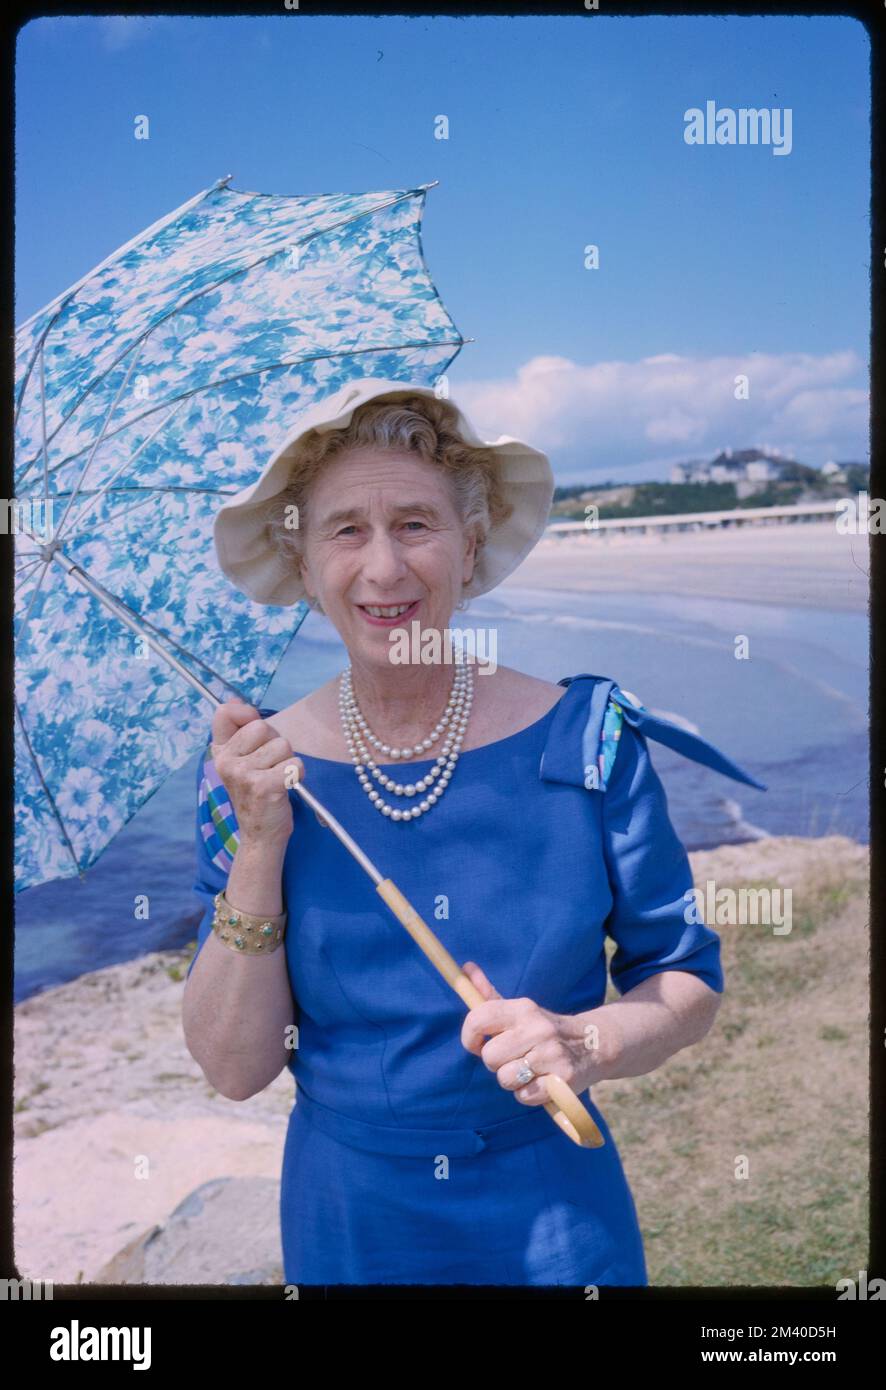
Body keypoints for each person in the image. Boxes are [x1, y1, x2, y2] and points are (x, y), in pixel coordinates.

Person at [181, 376, 765, 1287]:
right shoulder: (252, 773)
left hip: (554, 1215)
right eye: (345, 530)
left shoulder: (586, 741)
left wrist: (586, 1043)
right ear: (302, 563)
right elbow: (233, 1067)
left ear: (470, 542)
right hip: (348, 1220)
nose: (383, 569)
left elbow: (686, 979)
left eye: (415, 523)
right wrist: (260, 846)